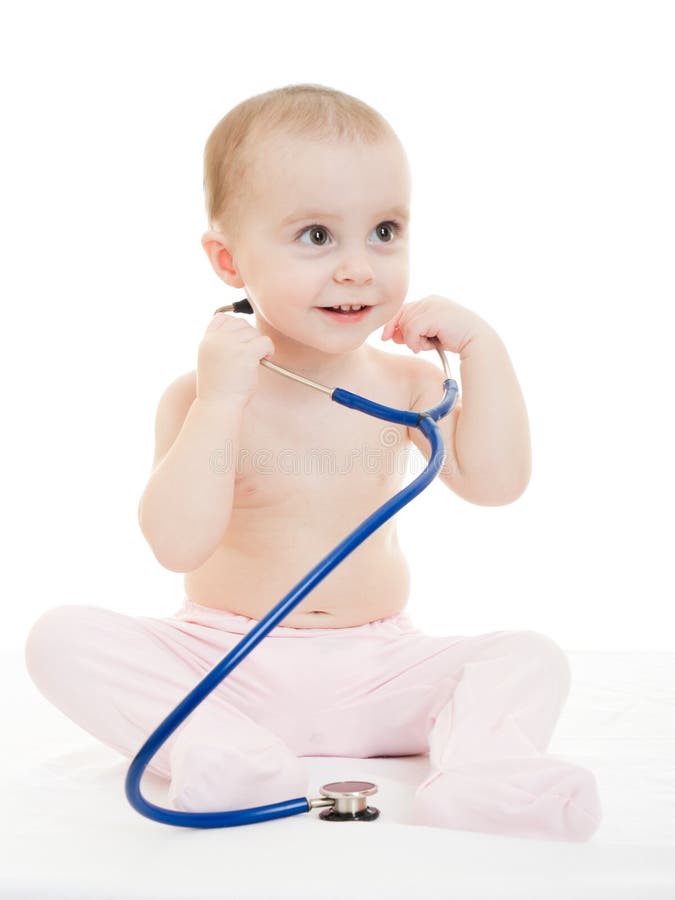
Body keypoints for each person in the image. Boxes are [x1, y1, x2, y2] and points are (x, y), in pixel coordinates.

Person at [24, 83, 601, 841]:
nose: (359, 268)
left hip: (379, 668)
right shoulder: (198, 398)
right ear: (229, 261)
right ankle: (226, 752)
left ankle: (484, 779)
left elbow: (495, 485)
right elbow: (176, 545)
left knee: (528, 657)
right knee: (59, 637)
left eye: (384, 230)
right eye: (317, 236)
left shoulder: (408, 384)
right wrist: (222, 404)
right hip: (226, 660)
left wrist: (484, 354)